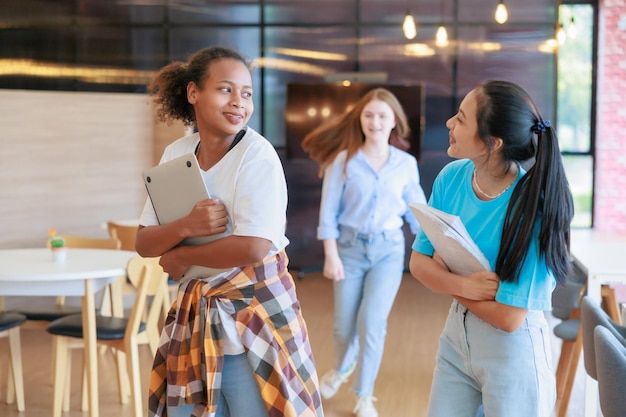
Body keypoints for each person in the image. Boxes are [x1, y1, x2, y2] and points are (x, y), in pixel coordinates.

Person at [135, 46, 324, 417]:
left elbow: (254, 247)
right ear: (193, 93)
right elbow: (143, 241)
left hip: (255, 315)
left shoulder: (257, 155)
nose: (239, 102)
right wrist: (187, 225)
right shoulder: (177, 152)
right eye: (225, 89)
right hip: (197, 316)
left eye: (246, 93)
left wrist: (182, 255)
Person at [410, 80, 574, 417]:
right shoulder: (451, 177)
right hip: (457, 338)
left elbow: (510, 317)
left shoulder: (534, 205)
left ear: (492, 142)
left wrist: (445, 278)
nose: (449, 124)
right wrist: (466, 286)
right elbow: (418, 263)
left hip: (514, 353)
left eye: (461, 118)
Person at [301, 88, 427, 417]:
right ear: (360, 119)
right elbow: (328, 213)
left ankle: (364, 394)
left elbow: (417, 213)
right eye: (369, 115)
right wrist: (331, 255)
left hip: (388, 249)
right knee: (344, 327)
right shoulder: (342, 161)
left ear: (394, 122)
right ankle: (343, 367)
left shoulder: (406, 164)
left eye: (382, 116)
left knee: (372, 323)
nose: (375, 121)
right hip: (349, 249)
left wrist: (435, 249)